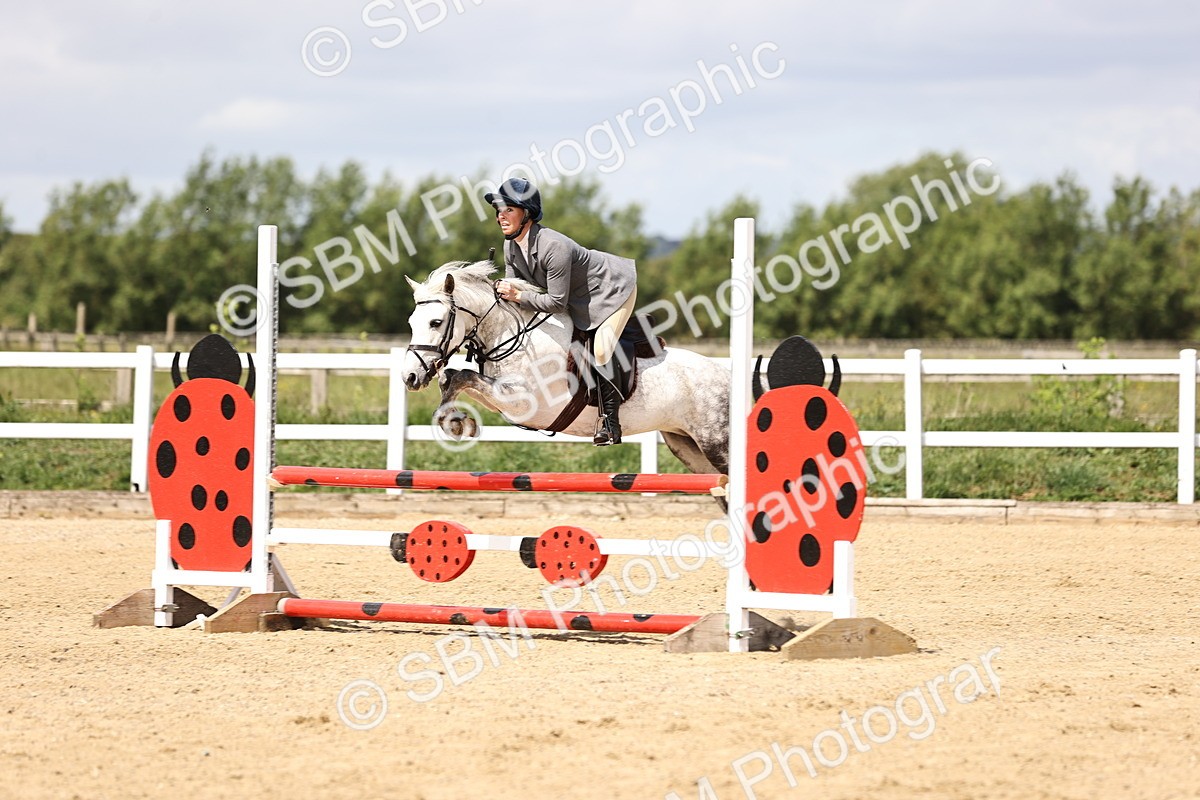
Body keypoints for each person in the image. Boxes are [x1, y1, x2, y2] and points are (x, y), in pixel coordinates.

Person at [484, 177, 637, 446]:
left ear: (527, 214)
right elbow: (516, 291)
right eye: (499, 210)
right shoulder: (511, 246)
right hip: (578, 298)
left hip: (611, 291)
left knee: (600, 349)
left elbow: (556, 303)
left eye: (509, 209)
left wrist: (518, 295)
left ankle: (610, 422)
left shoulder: (554, 246)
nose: (501, 216)